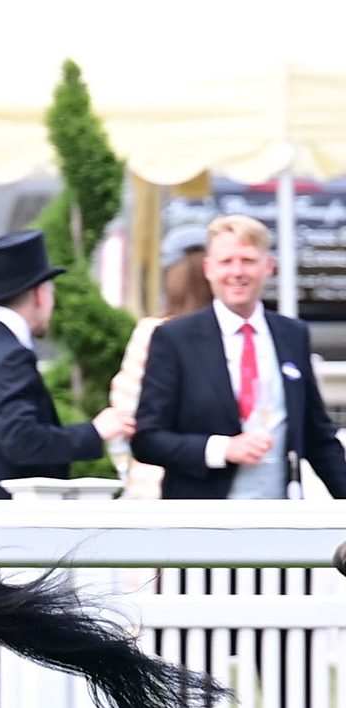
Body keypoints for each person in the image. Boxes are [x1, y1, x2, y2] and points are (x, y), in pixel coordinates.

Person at [131, 213, 346, 500]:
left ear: (268, 266)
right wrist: (222, 449)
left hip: (279, 513)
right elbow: (147, 440)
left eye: (248, 260)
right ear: (208, 268)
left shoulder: (291, 334)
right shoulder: (175, 338)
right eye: (226, 261)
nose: (237, 272)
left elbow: (318, 437)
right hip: (201, 515)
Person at [0, 229, 131, 499]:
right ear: (40, 295)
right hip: (12, 523)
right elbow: (21, 441)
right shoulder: (12, 356)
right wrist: (94, 432)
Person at [108, 228, 215, 500]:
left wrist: (123, 464)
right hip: (222, 475)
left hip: (153, 479)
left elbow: (125, 406)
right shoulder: (231, 333)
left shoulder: (153, 331)